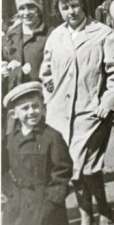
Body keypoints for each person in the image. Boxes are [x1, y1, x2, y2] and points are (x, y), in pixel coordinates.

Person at [40, 0, 114, 225]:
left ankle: (102, 208)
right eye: (64, 8)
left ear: (82, 5)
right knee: (74, 169)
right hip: (59, 115)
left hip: (91, 112)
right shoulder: (56, 36)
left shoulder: (102, 33)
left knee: (84, 168)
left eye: (74, 5)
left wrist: (107, 101)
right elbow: (45, 73)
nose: (70, 12)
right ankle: (89, 214)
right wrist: (50, 97)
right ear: (59, 11)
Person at [2, 82, 73, 225]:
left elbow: (63, 171)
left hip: (46, 206)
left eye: (35, 106)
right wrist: (9, 191)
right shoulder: (9, 140)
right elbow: (3, 167)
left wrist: (52, 201)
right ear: (14, 114)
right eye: (25, 108)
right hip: (17, 204)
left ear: (43, 108)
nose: (31, 112)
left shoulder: (52, 137)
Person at [2, 0, 50, 93]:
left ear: (39, 8)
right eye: (22, 8)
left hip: (41, 97)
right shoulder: (10, 36)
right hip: (15, 97)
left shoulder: (50, 34)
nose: (26, 13)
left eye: (31, 7)